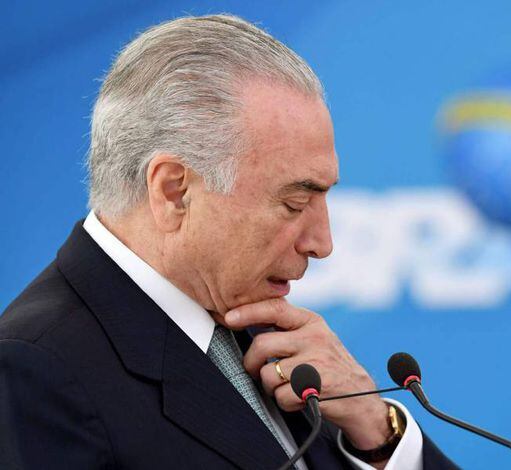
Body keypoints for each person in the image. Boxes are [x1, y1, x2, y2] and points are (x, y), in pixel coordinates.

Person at [0, 14, 457, 470]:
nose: (323, 244)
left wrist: (375, 432)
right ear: (174, 191)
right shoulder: (34, 370)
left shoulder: (275, 340)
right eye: (295, 204)